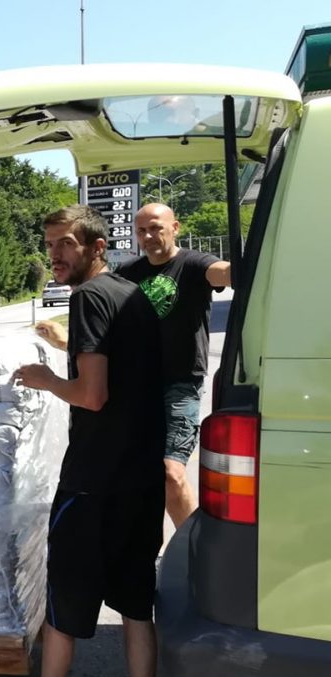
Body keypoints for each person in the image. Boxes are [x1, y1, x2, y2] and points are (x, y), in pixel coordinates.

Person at [13, 205, 167, 677]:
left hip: (93, 483)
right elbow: (127, 378)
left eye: (64, 245)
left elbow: (93, 394)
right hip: (140, 480)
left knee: (67, 604)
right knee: (134, 603)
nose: (54, 255)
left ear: (95, 246)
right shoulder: (134, 297)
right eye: (50, 244)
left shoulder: (88, 299)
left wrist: (45, 379)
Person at [34, 202, 231, 529]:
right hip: (137, 386)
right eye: (141, 230)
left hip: (178, 384)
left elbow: (223, 272)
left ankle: (197, 548)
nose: (149, 236)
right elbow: (109, 337)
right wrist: (69, 342)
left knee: (171, 474)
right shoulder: (129, 274)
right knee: (134, 475)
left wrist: (249, 265)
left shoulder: (192, 264)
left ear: (175, 227)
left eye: (156, 227)